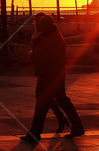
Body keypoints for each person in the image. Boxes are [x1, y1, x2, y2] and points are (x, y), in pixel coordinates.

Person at [20, 12, 84, 143]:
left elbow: (42, 55)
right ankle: (77, 126)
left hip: (49, 74)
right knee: (61, 99)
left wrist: (33, 55)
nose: (38, 26)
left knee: (42, 102)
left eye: (40, 24)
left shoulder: (48, 38)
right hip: (56, 73)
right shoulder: (54, 36)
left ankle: (35, 133)